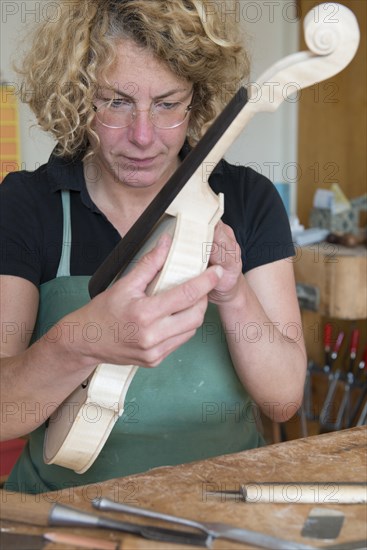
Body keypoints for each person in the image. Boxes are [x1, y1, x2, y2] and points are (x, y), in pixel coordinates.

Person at [0, 0, 306, 494]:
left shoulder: (247, 199)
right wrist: (78, 341)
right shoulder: (27, 204)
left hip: (221, 503)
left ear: (197, 99)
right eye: (116, 101)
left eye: (167, 104)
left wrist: (234, 296)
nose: (143, 137)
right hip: (65, 507)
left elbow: (283, 401)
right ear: (79, 98)